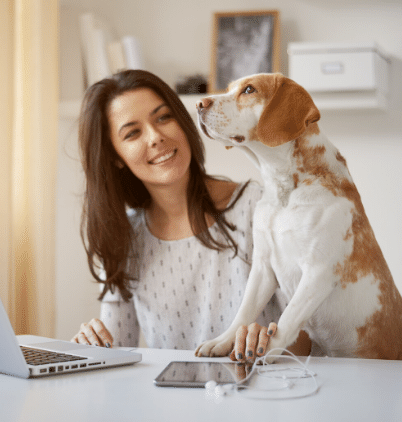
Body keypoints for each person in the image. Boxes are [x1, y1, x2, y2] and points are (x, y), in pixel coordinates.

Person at [71, 69, 311, 362]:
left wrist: (273, 341)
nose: (156, 137)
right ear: (115, 157)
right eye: (132, 133)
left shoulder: (255, 206)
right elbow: (116, 354)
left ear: (183, 123)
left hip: (261, 398)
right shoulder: (123, 238)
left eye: (163, 118)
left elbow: (311, 340)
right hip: (169, 404)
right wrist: (92, 346)